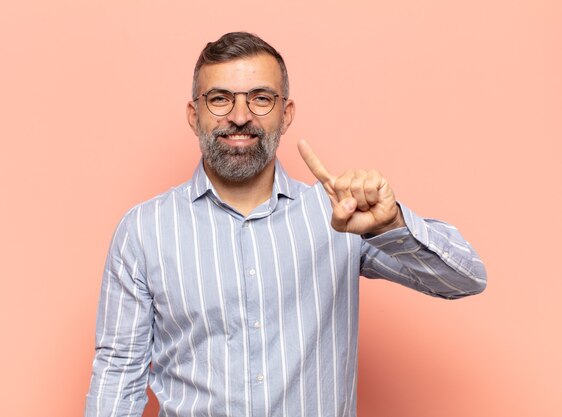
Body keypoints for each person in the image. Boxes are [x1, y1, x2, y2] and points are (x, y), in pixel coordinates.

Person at [85, 32, 486, 417]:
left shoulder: (341, 216)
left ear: (286, 113)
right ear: (194, 115)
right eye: (220, 99)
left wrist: (390, 224)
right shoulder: (144, 230)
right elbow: (119, 375)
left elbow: (464, 280)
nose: (240, 117)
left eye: (261, 98)